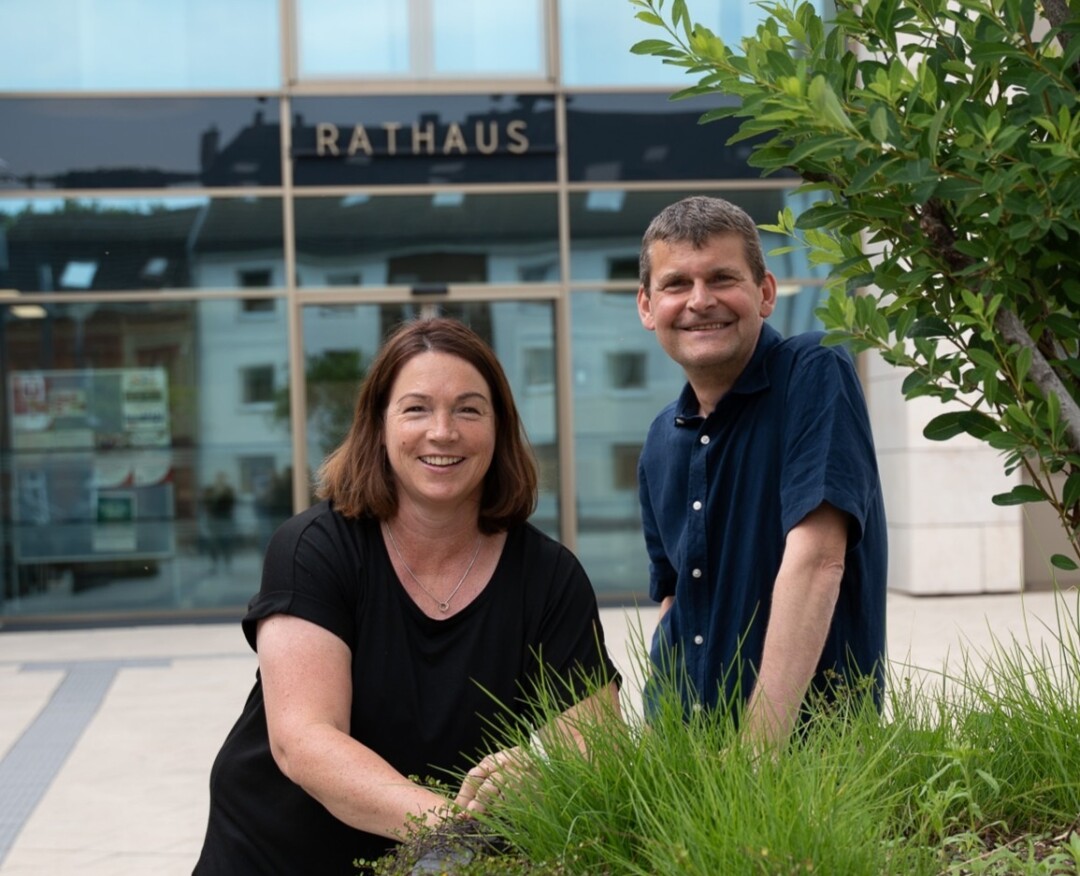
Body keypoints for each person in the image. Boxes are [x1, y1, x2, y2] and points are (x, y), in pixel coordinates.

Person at [194, 318, 621, 875]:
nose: (442, 432)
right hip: (280, 856)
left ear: (499, 428)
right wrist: (459, 834)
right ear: (379, 425)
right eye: (416, 408)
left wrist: (537, 765)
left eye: (469, 410)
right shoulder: (314, 549)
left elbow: (597, 737)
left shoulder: (550, 576)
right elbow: (305, 740)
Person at [635, 195, 887, 750]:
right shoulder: (659, 440)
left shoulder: (814, 370)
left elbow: (819, 559)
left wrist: (756, 756)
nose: (700, 300)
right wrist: (661, 744)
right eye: (676, 284)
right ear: (648, 307)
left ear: (765, 293)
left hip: (808, 761)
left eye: (722, 278)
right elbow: (675, 602)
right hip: (683, 755)